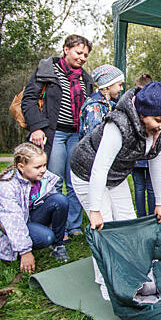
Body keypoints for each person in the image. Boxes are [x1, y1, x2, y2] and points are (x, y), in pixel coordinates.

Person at [70, 81, 161, 301]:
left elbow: (156, 164)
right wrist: (95, 210)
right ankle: (107, 283)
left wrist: (160, 202)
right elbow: (99, 168)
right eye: (158, 120)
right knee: (105, 229)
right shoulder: (118, 124)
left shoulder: (160, 128)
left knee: (128, 222)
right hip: (87, 173)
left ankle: (134, 275)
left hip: (116, 176)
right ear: (143, 113)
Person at [22, 34, 94, 238]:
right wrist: (37, 127)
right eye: (78, 52)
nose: (82, 58)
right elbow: (28, 99)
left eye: (86, 55)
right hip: (54, 133)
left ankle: (74, 226)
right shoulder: (48, 70)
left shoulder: (85, 79)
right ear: (66, 49)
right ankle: (57, 227)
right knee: (54, 179)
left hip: (76, 135)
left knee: (75, 181)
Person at [0, 143, 70, 274]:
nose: (43, 169)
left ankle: (58, 247)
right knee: (47, 237)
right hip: (14, 226)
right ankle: (20, 251)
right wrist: (25, 251)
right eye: (38, 167)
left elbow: (54, 206)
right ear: (21, 167)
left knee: (60, 200)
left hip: (32, 218)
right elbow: (13, 221)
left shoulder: (44, 178)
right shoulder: (8, 186)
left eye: (44, 165)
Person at [132, 74, 156, 217]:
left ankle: (150, 216)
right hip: (137, 154)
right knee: (141, 187)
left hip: (148, 152)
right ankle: (143, 216)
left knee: (145, 187)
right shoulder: (134, 105)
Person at [79, 64, 124, 139]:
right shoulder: (95, 106)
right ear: (109, 85)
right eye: (120, 85)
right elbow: (94, 136)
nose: (122, 88)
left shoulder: (110, 104)